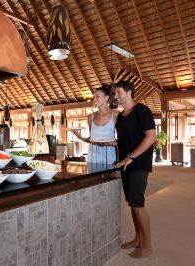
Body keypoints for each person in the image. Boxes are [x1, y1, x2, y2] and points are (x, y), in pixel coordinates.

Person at [114, 80, 156, 258]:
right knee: (132, 204)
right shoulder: (121, 116)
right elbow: (122, 141)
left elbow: (151, 137)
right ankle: (138, 239)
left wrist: (131, 157)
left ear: (129, 92)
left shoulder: (142, 110)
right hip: (125, 164)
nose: (115, 96)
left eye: (118, 92)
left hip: (138, 164)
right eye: (114, 93)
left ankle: (147, 246)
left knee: (138, 205)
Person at [72, 84, 118, 173]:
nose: (94, 100)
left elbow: (123, 139)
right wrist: (80, 137)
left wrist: (111, 143)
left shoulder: (115, 115)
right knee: (93, 182)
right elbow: (91, 139)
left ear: (106, 98)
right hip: (92, 156)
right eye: (94, 97)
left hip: (110, 155)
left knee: (108, 182)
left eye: (97, 96)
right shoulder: (90, 117)